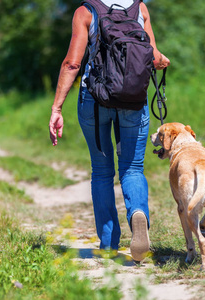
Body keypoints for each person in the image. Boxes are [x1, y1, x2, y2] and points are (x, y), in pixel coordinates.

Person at [48, 0, 170, 261]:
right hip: (133, 100)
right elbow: (153, 55)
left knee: (102, 172)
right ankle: (138, 213)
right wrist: (162, 61)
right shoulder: (141, 9)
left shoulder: (85, 11)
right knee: (133, 168)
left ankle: (108, 244)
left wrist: (57, 108)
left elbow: (72, 63)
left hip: (94, 100)